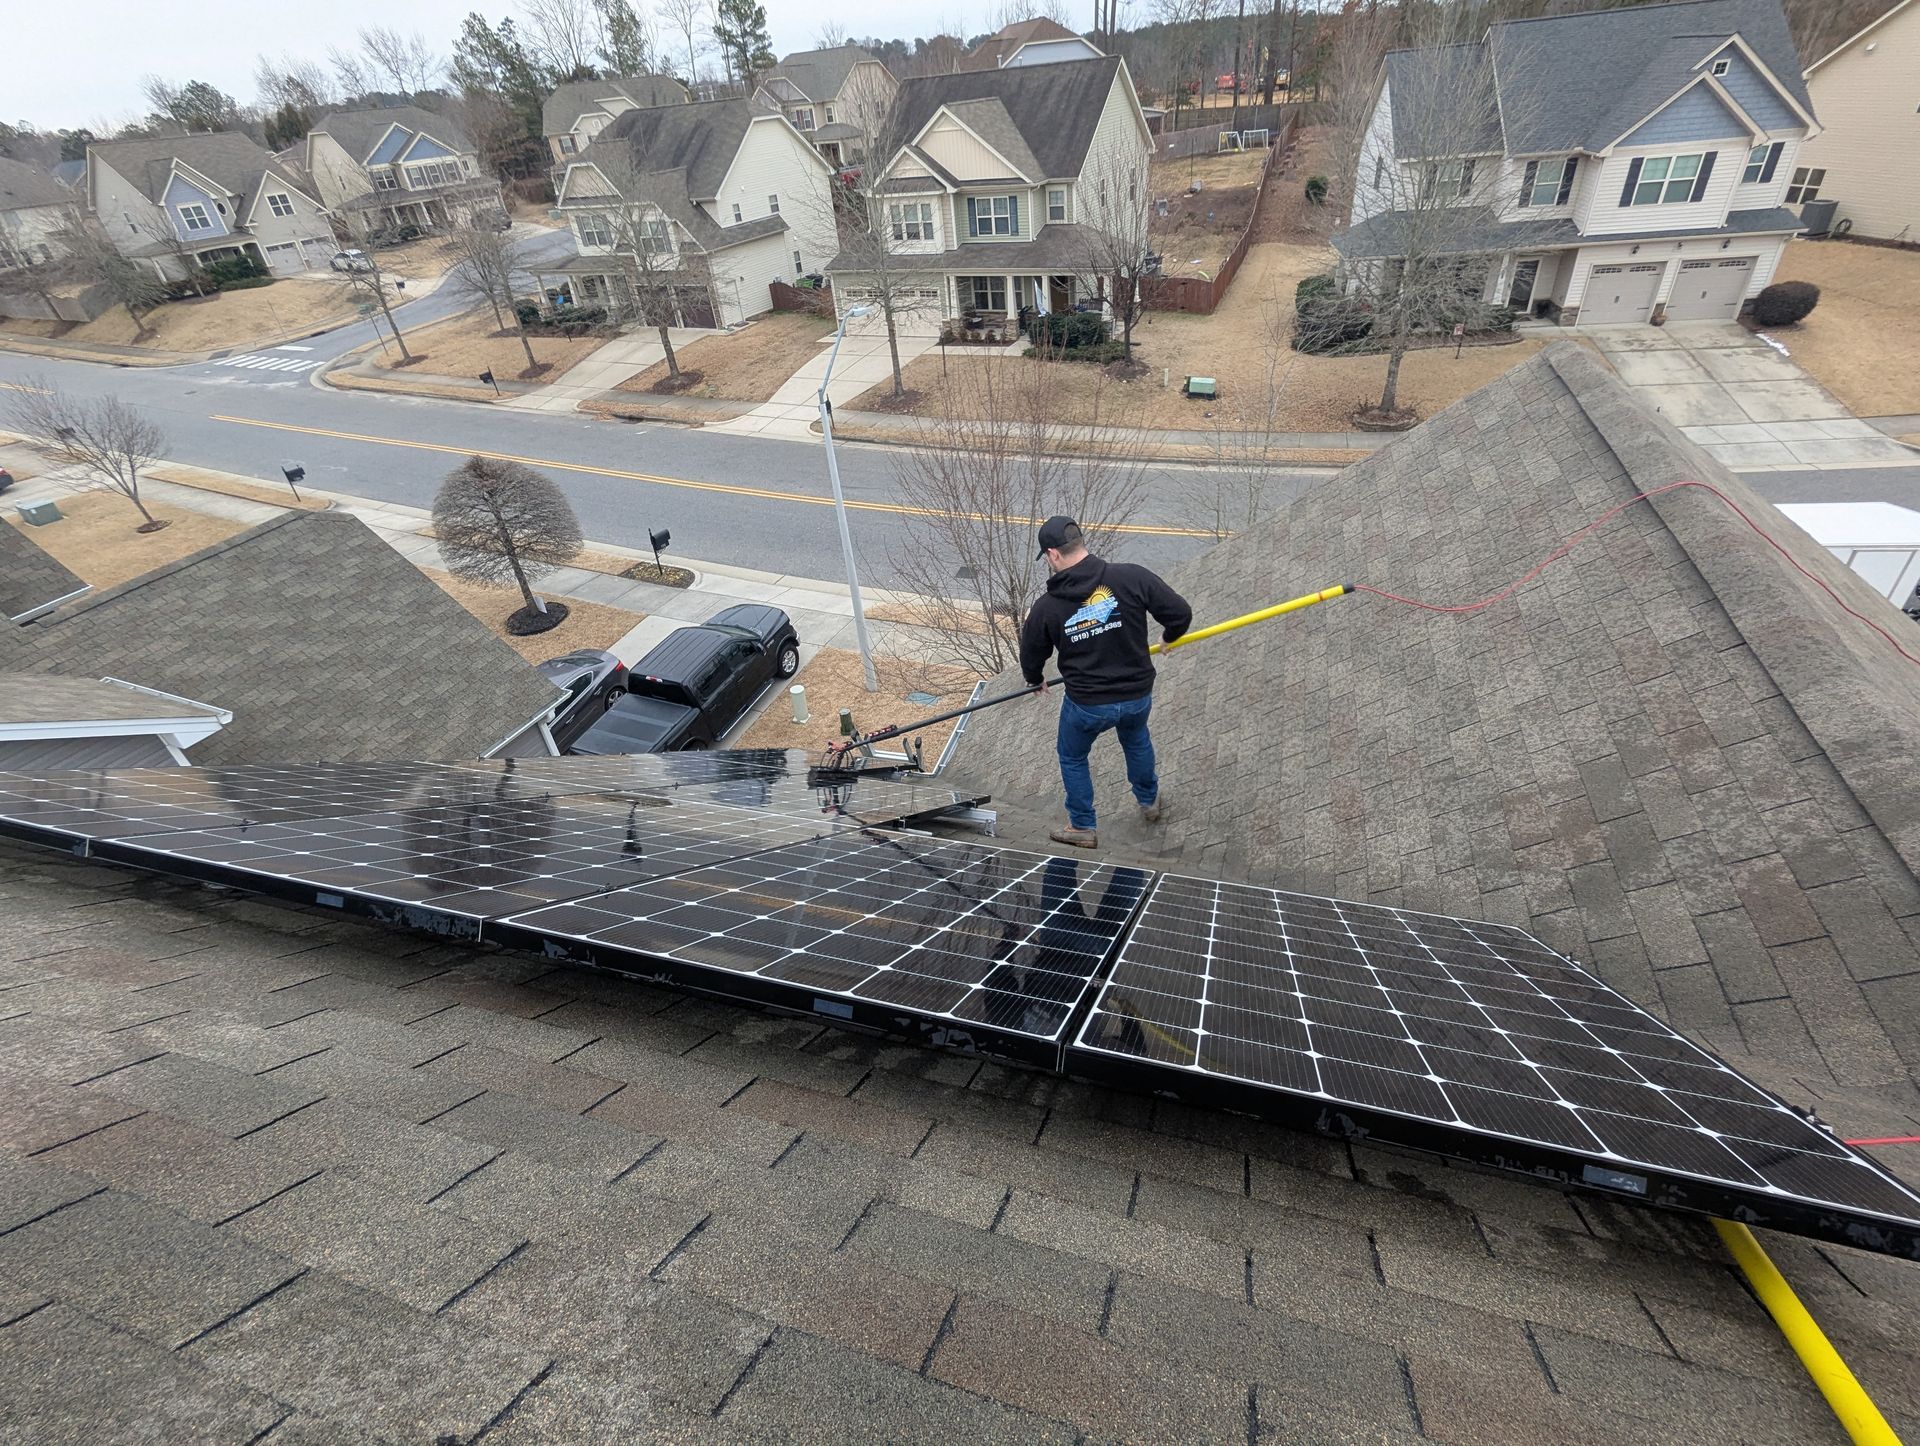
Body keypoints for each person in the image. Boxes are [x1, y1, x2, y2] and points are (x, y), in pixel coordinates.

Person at [1018, 516, 1192, 849]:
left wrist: (1035, 679)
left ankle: (1083, 825)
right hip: (1137, 694)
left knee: (1072, 756)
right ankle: (1149, 801)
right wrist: (1170, 636)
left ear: (1053, 555)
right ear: (1080, 543)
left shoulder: (1046, 607)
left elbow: (1031, 654)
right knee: (1136, 739)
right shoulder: (1132, 577)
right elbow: (1180, 613)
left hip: (1088, 704)